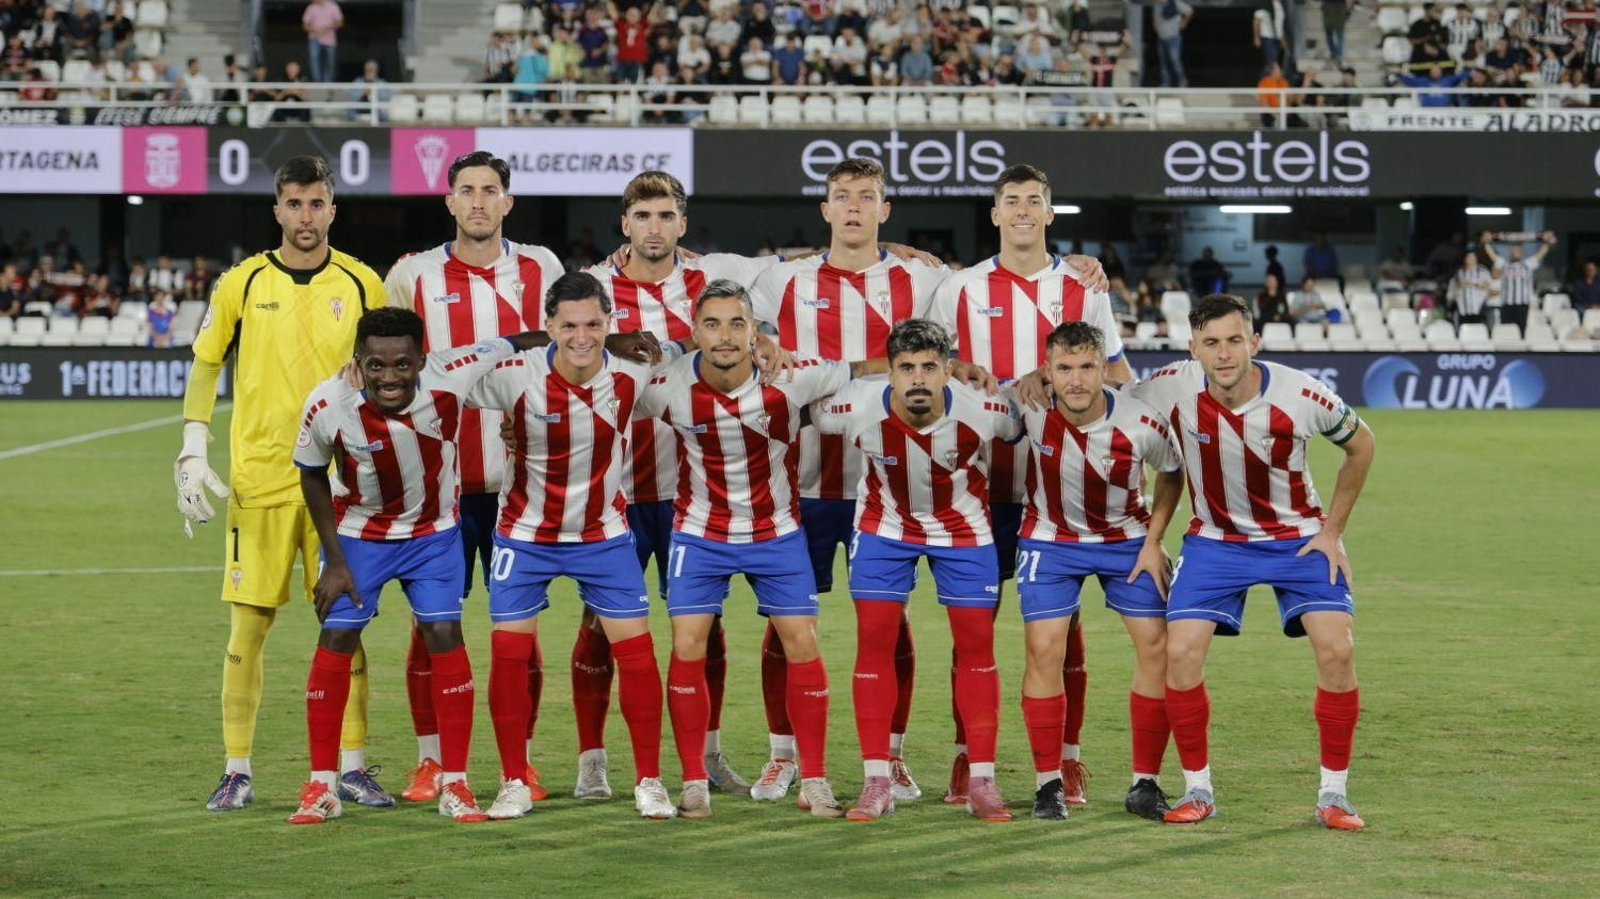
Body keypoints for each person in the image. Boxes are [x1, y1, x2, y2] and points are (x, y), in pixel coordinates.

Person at [746, 157, 1007, 806]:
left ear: (885, 211)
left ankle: (888, 753)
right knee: (783, 623)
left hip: (895, 489)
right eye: (843, 196)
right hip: (799, 479)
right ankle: (783, 754)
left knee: (892, 625)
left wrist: (1082, 269)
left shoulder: (925, 278)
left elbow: (994, 280)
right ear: (825, 209)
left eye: (868, 197)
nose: (855, 207)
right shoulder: (781, 277)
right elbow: (718, 295)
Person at [175, 156, 391, 812]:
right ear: (277, 210)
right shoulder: (242, 282)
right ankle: (236, 767)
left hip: (342, 484)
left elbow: (390, 369)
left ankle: (352, 764)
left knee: (346, 626)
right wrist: (192, 444)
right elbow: (207, 361)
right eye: (294, 204)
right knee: (249, 627)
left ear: (333, 208)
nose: (305, 216)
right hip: (261, 481)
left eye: (317, 203)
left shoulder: (361, 283)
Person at [576, 171, 792, 800]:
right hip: (612, 485)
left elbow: (802, 268)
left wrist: (913, 254)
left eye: (665, 215)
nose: (654, 227)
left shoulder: (716, 277)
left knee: (705, 626)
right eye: (642, 215)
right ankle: (593, 761)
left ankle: (708, 754)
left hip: (693, 491)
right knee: (598, 623)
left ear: (682, 223)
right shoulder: (593, 287)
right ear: (625, 223)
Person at [286, 309, 546, 825]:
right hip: (360, 535)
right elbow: (311, 474)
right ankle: (320, 786)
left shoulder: (453, 373)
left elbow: (523, 340)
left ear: (422, 360)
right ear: (357, 364)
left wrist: (614, 343)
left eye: (402, 365)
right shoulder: (326, 403)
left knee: (444, 633)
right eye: (375, 366)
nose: (389, 377)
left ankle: (456, 784)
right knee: (337, 638)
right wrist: (333, 560)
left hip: (433, 534)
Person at [1133, 294, 1375, 831]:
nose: (1224, 354)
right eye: (1211, 343)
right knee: (1181, 654)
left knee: (1337, 649)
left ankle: (1334, 796)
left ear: (1254, 342)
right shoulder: (1170, 385)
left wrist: (1333, 532)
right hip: (1216, 542)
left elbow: (1363, 445)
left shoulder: (1301, 393)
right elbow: (1101, 397)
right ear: (1193, 348)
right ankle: (1199, 790)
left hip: (1299, 540)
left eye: (1234, 340)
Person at [928, 164, 1127, 808]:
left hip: (1058, 492)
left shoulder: (1082, 286)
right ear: (994, 214)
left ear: (1049, 213)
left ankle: (1067, 762)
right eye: (1009, 201)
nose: (1020, 210)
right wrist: (968, 374)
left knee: (1063, 630)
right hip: (975, 488)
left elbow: (1117, 373)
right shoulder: (957, 288)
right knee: (973, 630)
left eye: (1033, 201)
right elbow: (929, 372)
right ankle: (968, 759)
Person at [637, 279, 875, 819]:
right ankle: (694, 779)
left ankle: (813, 779)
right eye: (713, 324)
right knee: (688, 644)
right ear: (694, 331)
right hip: (699, 532)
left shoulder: (791, 376)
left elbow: (861, 370)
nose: (725, 336)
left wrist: (946, 366)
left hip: (777, 532)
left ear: (755, 331)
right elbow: (600, 400)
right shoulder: (667, 384)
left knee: (803, 644)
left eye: (737, 324)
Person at [465, 271, 680, 820]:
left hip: (602, 536)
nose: (581, 337)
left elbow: (692, 352)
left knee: (637, 656)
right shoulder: (513, 378)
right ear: (548, 326)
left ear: (609, 324)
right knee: (509, 656)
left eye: (593, 325)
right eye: (568, 326)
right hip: (523, 535)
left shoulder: (635, 373)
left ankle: (649, 781)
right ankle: (513, 779)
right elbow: (440, 374)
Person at [811, 319, 1021, 823]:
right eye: (906, 368)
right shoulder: (850, 408)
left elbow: (1018, 423)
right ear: (890, 372)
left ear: (949, 370)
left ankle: (982, 781)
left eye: (930, 367)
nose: (918, 379)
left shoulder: (988, 411)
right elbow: (812, 405)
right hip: (885, 528)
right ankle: (876, 781)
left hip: (964, 530)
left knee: (977, 648)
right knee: (874, 643)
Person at [1013, 321, 1185, 821]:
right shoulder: (1025, 404)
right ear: (1047, 371)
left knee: (1158, 646)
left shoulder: (1140, 420)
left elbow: (1173, 473)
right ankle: (1048, 784)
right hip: (1050, 539)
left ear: (1103, 367)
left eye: (1087, 367)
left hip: (1126, 542)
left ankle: (1145, 784)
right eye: (1064, 369)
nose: (1076, 380)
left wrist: (1154, 542)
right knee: (1044, 649)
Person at [1479, 230, 1555, 332]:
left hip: (1522, 303)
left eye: (1518, 251)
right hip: (1507, 303)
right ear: (1510, 253)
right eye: (1514, 251)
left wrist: (1547, 242)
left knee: (1521, 329)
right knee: (1506, 330)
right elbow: (1491, 255)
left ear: (1522, 253)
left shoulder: (1527, 264)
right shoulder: (1504, 265)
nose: (1516, 253)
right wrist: (1486, 242)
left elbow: (1540, 254)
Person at [1446, 250, 1497, 326]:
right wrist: (1461, 285)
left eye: (1473, 258)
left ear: (1476, 260)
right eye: (1469, 258)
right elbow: (1452, 290)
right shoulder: (1459, 273)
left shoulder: (1483, 272)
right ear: (1465, 259)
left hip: (1479, 308)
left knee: (1479, 329)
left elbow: (1492, 288)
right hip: (1463, 309)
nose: (1471, 260)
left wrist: (1479, 285)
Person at [1153, 0, 1193, 87]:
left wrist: (1184, 22)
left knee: (1174, 59)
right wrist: (1155, 26)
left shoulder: (1175, 3)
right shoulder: (1156, 5)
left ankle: (1181, 80)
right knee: (1163, 63)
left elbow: (1189, 11)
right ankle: (1165, 83)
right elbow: (1155, 18)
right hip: (1161, 37)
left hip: (1173, 37)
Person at [303, 0, 343, 82]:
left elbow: (340, 22)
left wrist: (327, 28)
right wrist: (313, 30)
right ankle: (317, 81)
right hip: (314, 38)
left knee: (330, 62)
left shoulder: (333, 6)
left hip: (329, 39)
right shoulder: (311, 8)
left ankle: (327, 82)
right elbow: (305, 25)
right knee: (314, 59)